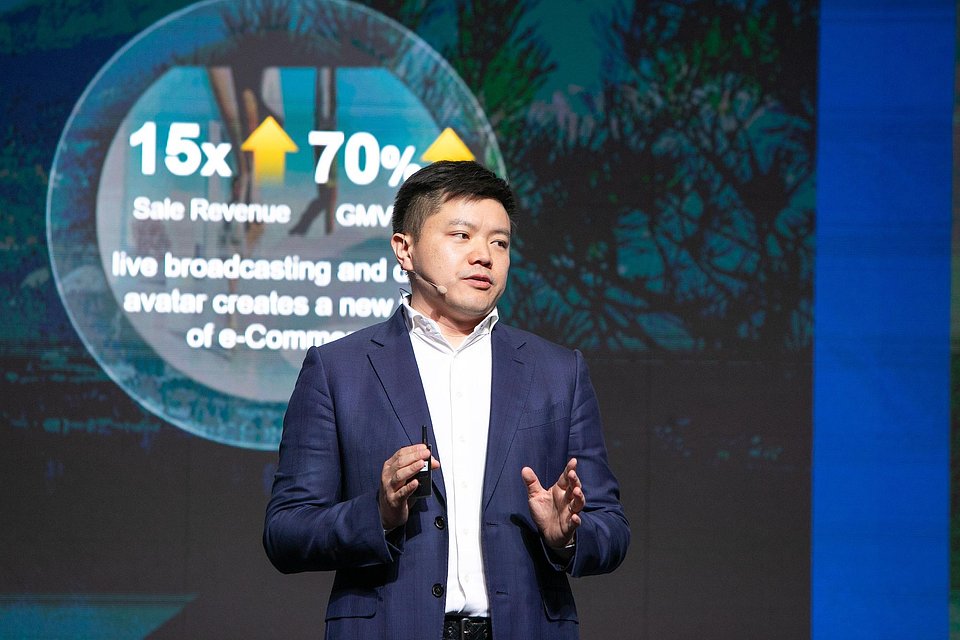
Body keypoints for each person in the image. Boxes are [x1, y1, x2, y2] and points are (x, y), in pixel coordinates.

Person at [263, 160, 629, 639]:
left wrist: (567, 537)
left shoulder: (559, 371)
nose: (484, 256)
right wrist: (377, 514)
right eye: (461, 235)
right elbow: (286, 532)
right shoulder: (338, 370)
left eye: (499, 242)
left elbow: (611, 528)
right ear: (405, 249)